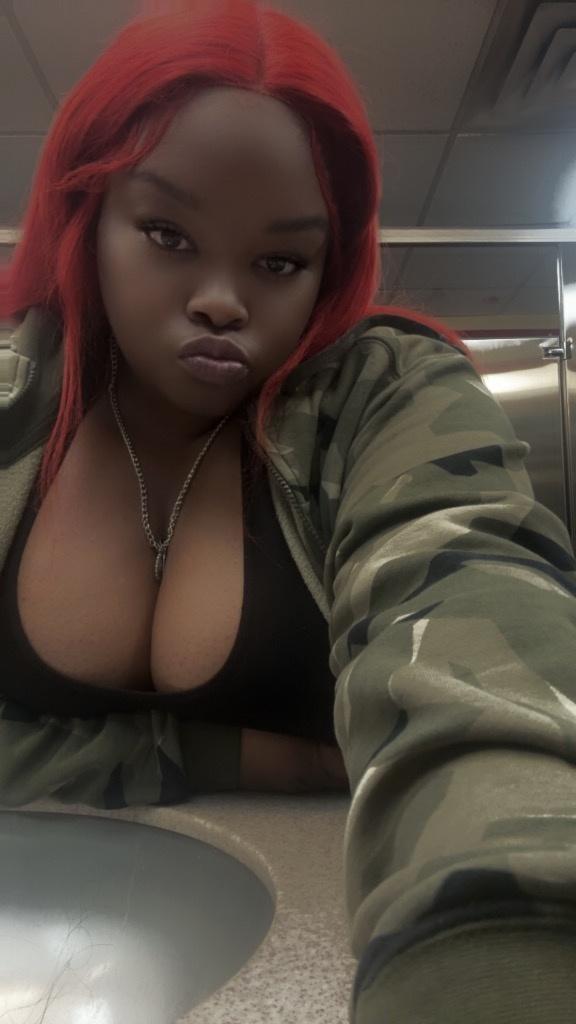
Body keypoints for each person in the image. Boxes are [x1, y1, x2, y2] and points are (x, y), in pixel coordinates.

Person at [2, 0, 576, 1020]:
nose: (222, 299)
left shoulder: (384, 400)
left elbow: (486, 652)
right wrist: (222, 756)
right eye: (168, 233)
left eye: (278, 262)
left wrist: (499, 954)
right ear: (87, 215)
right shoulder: (11, 400)